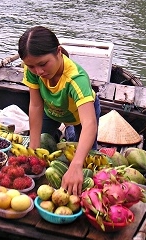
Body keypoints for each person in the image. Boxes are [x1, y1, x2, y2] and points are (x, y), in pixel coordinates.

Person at [18, 26, 101, 195]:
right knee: (39, 143)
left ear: (58, 51)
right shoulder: (33, 67)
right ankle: (56, 136)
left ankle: (70, 135)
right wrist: (33, 149)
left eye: (43, 64)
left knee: (87, 158)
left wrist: (76, 165)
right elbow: (35, 105)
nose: (38, 71)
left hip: (79, 118)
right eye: (32, 66)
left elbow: (89, 123)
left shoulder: (76, 79)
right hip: (51, 111)